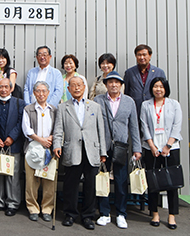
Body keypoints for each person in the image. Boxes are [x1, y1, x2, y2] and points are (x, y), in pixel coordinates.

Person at [53, 76, 106, 230]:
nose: (76, 88)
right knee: (71, 185)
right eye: (73, 85)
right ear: (68, 89)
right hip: (72, 150)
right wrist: (57, 145)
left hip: (91, 150)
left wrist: (103, 151)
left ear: (84, 87)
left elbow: (100, 131)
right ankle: (70, 214)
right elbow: (58, 129)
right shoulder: (63, 107)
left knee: (90, 185)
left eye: (79, 85)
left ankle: (88, 216)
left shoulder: (95, 106)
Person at [94, 71, 142, 229]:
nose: (113, 85)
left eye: (117, 82)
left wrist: (137, 148)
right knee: (103, 180)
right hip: (103, 147)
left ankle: (121, 213)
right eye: (110, 82)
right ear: (106, 85)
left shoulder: (129, 102)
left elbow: (134, 127)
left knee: (121, 181)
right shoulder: (98, 100)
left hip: (121, 146)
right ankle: (104, 212)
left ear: (121, 85)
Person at [140, 77, 182, 230]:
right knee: (153, 182)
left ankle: (172, 215)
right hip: (151, 148)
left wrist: (168, 145)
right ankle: (155, 213)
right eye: (155, 86)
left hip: (171, 148)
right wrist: (151, 146)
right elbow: (144, 126)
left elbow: (177, 126)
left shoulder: (174, 104)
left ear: (165, 89)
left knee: (172, 183)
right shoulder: (146, 105)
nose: (158, 89)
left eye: (161, 87)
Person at [0, 78, 26, 216]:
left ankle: (12, 203)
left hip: (13, 145)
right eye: (1, 87)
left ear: (11, 88)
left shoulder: (19, 103)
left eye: (6, 87)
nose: (3, 89)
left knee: (13, 175)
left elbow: (21, 122)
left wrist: (12, 137)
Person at [21, 81, 57, 222]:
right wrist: (40, 140)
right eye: (38, 91)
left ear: (48, 93)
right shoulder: (28, 109)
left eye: (44, 91)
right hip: (33, 148)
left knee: (49, 181)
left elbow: (58, 127)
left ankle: (47, 209)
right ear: (34, 93)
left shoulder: (53, 109)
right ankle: (33, 208)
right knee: (31, 181)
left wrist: (50, 138)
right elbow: (26, 129)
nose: (41, 94)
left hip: (49, 148)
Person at [124, 44, 167, 118]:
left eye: (144, 55)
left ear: (150, 56)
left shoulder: (159, 72)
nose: (142, 57)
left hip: (154, 111)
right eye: (139, 55)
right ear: (136, 56)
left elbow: (164, 93)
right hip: (135, 111)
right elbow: (126, 92)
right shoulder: (129, 72)